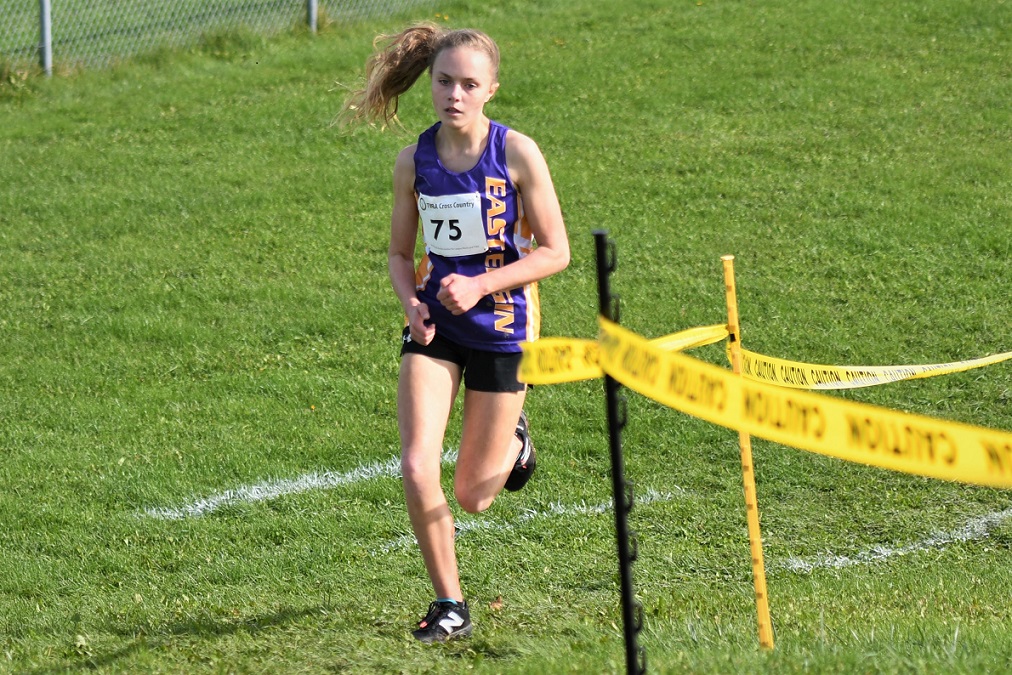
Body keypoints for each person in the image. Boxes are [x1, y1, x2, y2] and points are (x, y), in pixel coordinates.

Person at [341, 23, 570, 643]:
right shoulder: (412, 161)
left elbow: (556, 252)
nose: (455, 95)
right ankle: (450, 604)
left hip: (502, 327)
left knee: (473, 496)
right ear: (432, 84)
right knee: (417, 465)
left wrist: (481, 286)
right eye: (445, 81)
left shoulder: (518, 153)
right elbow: (397, 253)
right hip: (436, 324)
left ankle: (515, 445)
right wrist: (409, 301)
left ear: (491, 89)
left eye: (470, 83)